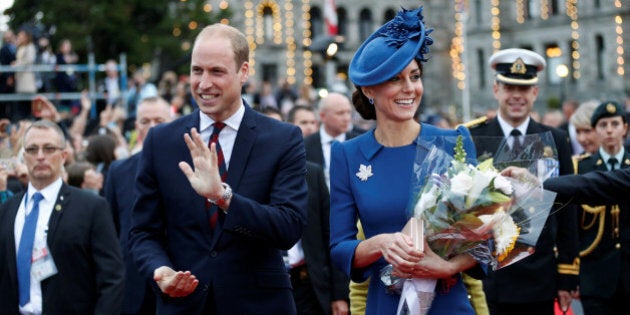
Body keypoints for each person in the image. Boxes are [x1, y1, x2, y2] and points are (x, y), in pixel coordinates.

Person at [128, 23, 308, 314]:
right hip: (184, 305)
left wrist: (224, 197)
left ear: (244, 72)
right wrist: (160, 270)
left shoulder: (282, 139)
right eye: (197, 70)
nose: (203, 83)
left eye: (217, 72)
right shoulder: (161, 141)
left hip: (259, 305)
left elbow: (288, 227)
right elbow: (142, 231)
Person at [329, 7, 482, 314]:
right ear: (370, 89)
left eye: (414, 76)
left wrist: (444, 266)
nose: (409, 88)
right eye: (395, 79)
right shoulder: (347, 155)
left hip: (448, 304)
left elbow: (485, 239)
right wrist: (380, 243)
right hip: (385, 304)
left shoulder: (454, 143)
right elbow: (339, 248)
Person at [467, 48, 579, 315]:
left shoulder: (556, 140)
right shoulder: (474, 138)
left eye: (523, 88)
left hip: (539, 275)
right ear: (496, 90)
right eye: (509, 87)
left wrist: (567, 274)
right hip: (489, 275)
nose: (516, 95)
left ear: (535, 93)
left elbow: (567, 212)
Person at [0, 120, 124, 314]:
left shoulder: (91, 208)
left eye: (49, 149)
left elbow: (112, 279)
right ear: (24, 157)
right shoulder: (7, 211)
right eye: (32, 149)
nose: (40, 156)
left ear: (64, 155)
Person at [105, 96, 172, 315]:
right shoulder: (118, 171)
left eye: (159, 120)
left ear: (173, 122)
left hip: (179, 282)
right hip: (131, 286)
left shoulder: (193, 168)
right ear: (136, 127)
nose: (152, 127)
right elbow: (112, 230)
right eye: (145, 121)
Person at [572, 100, 630, 315]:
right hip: (595, 277)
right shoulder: (582, 167)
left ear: (625, 128)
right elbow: (572, 225)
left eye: (615, 124)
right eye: (603, 125)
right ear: (596, 130)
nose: (609, 130)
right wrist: (571, 273)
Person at [304, 92, 359, 188]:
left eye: (348, 112)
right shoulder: (305, 145)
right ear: (322, 116)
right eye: (340, 113)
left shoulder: (359, 143)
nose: (346, 118)